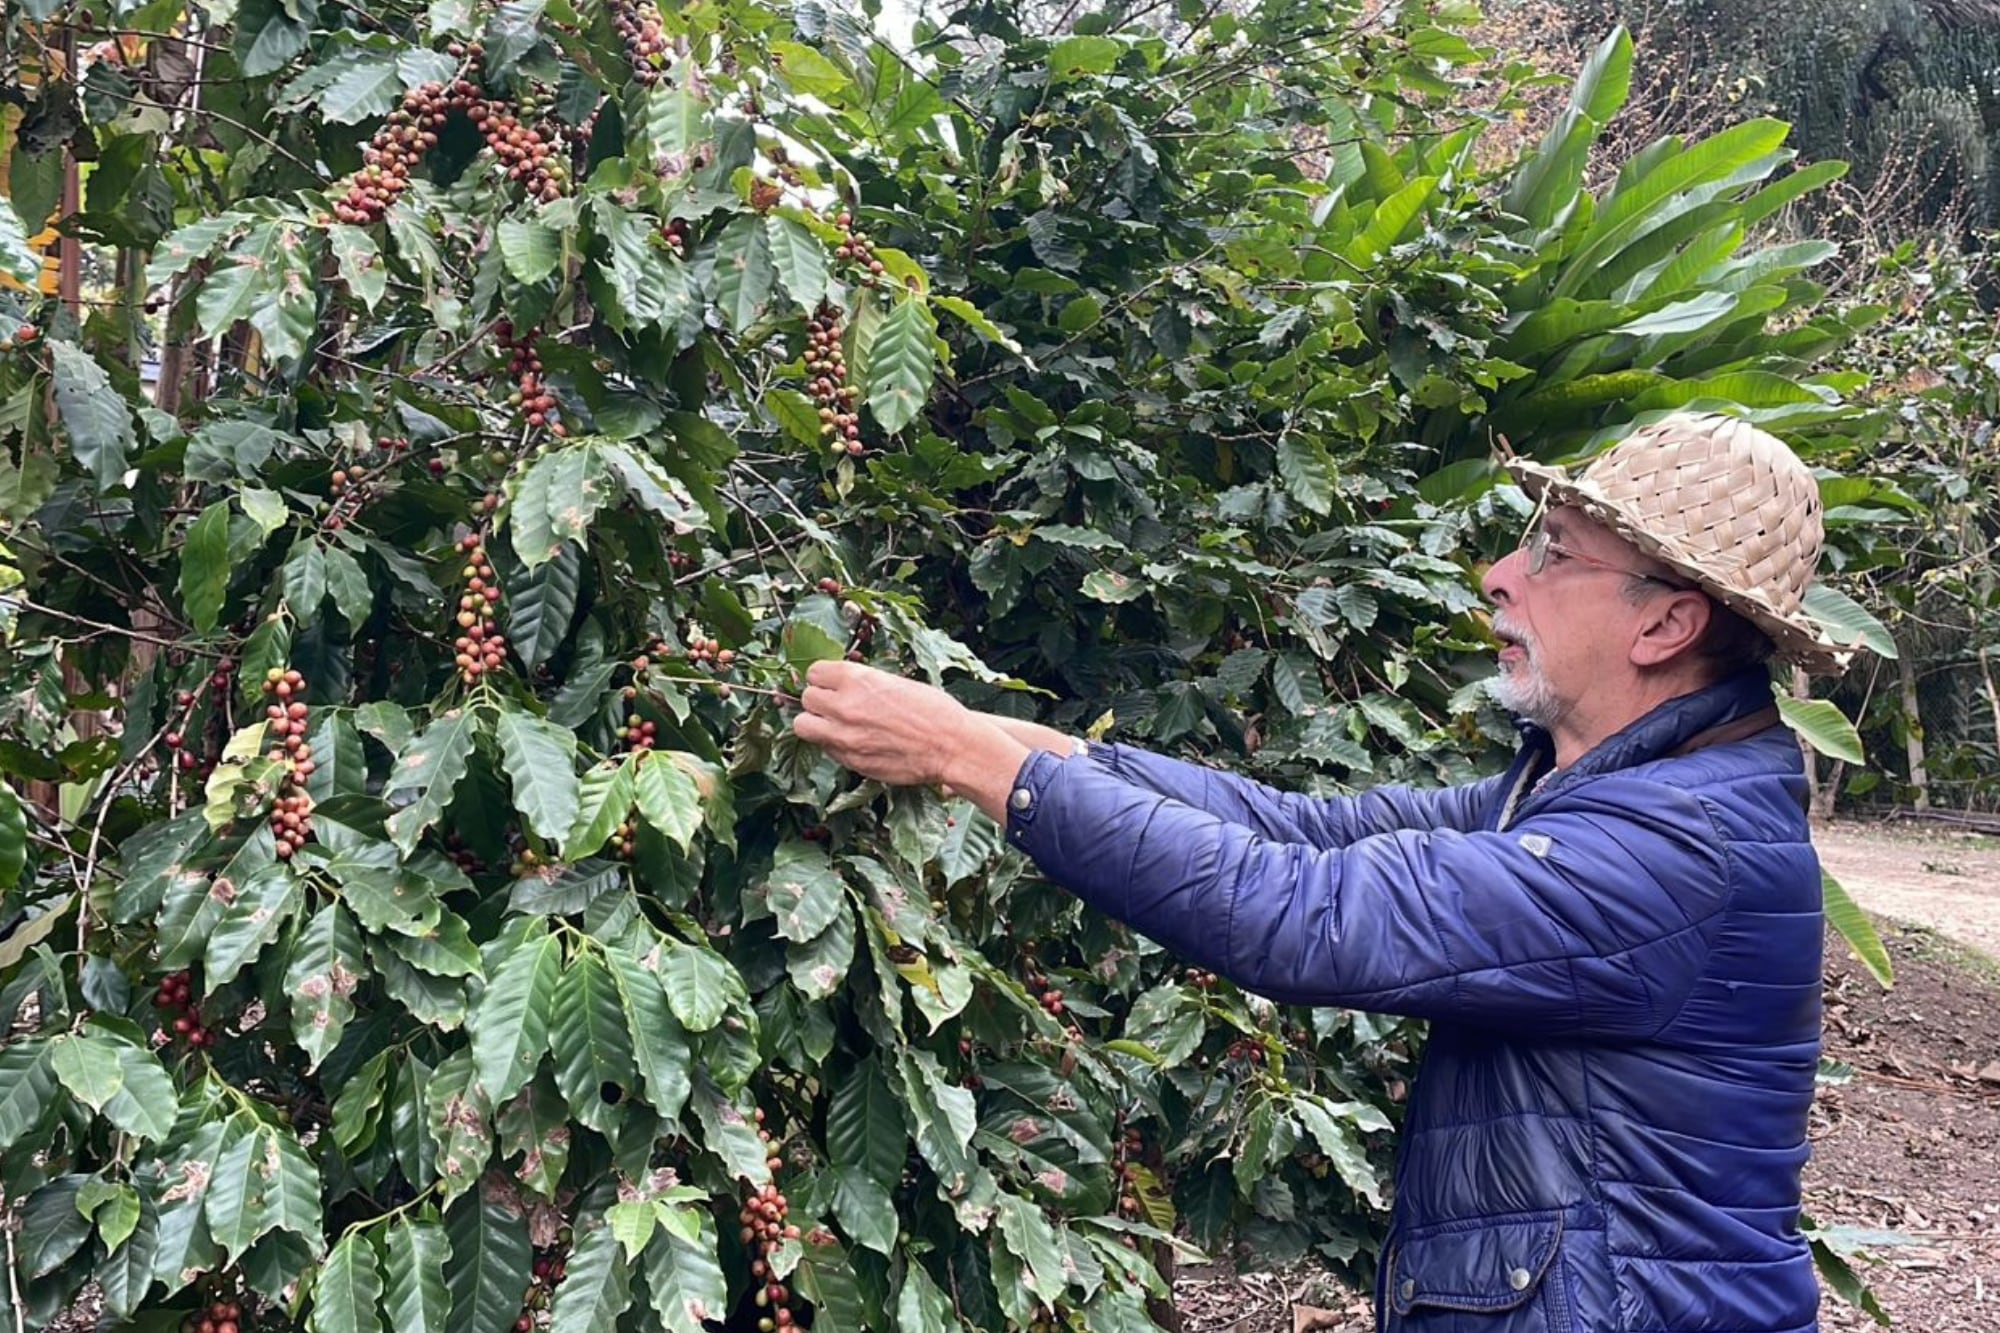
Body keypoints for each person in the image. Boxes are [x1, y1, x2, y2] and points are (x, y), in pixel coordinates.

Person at [792, 411, 1855, 1333]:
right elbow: (1304, 832)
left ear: (1665, 623)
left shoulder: (1669, 852)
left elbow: (1302, 914)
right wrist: (997, 737)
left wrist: (966, 761)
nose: (1498, 574)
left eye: (1553, 554)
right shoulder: (1590, 793)